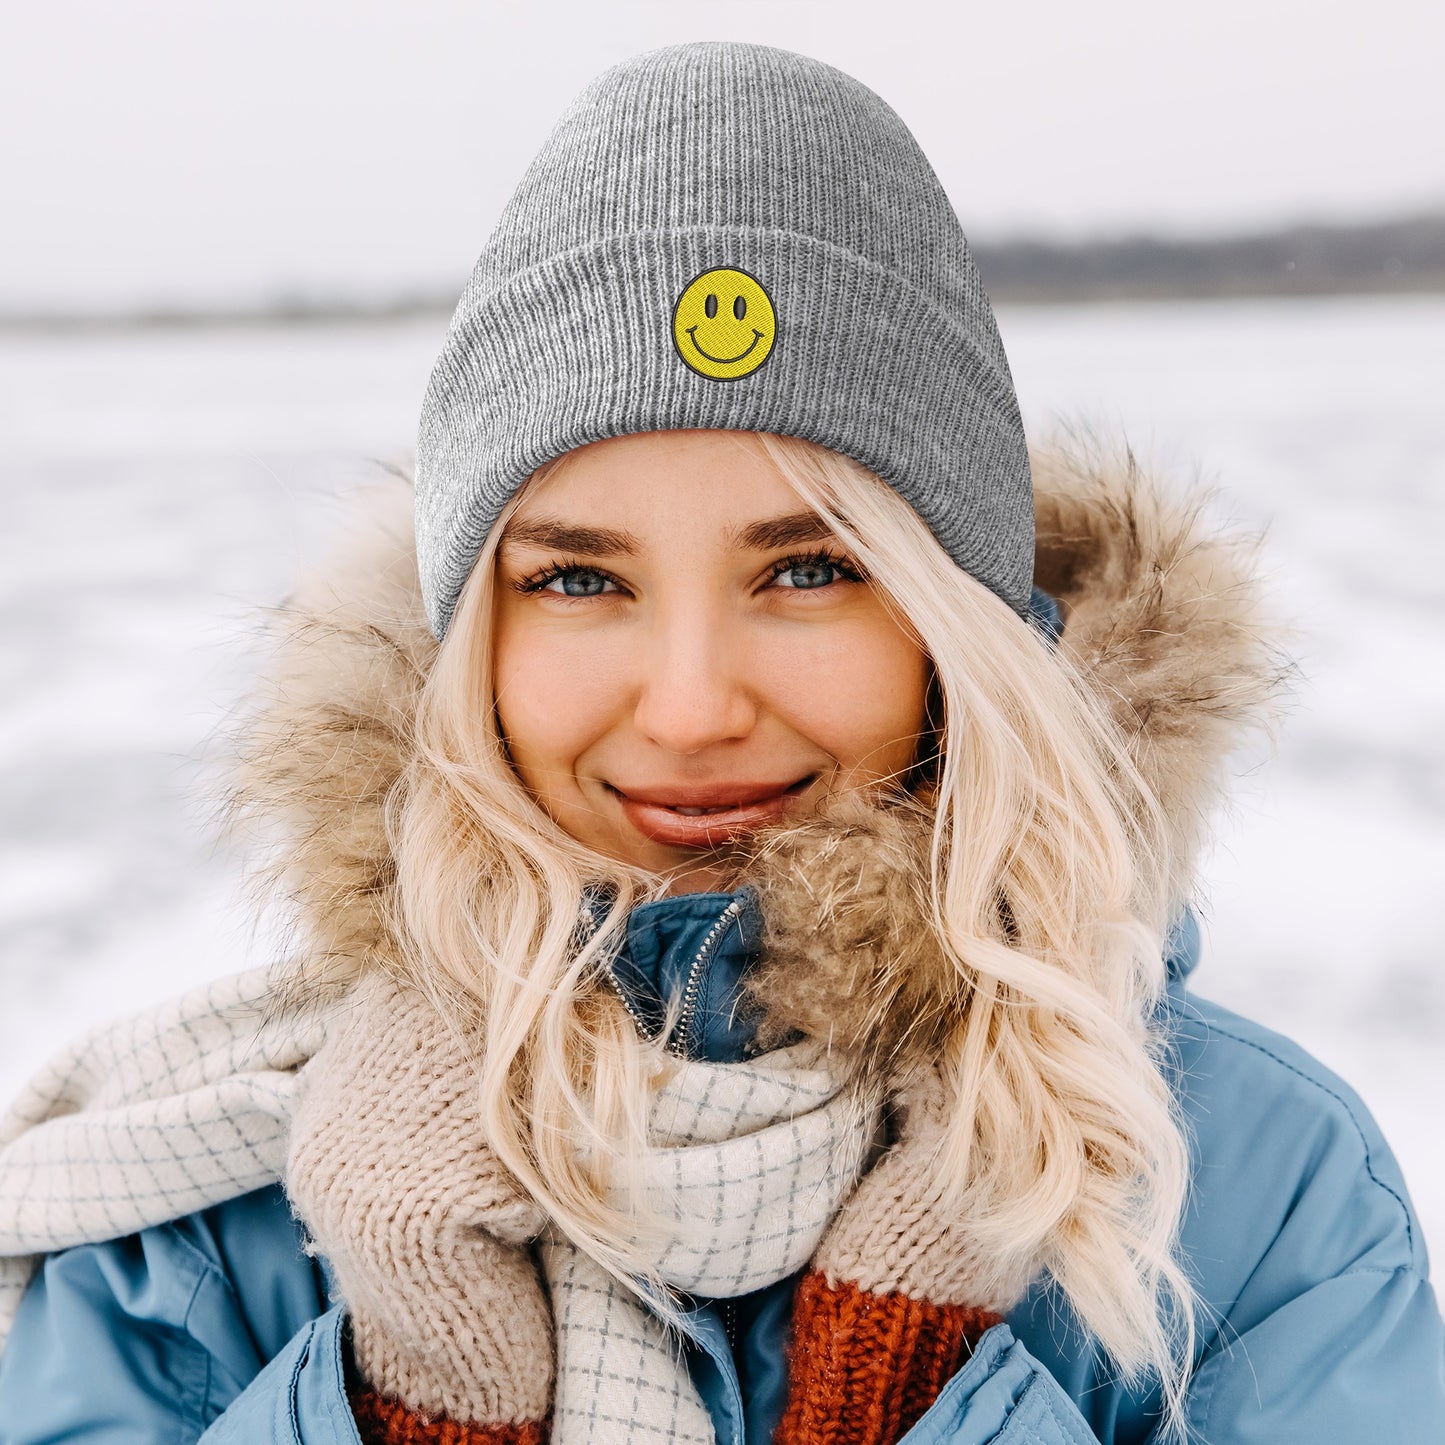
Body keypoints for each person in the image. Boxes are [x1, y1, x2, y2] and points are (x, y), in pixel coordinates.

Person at [0, 40, 1440, 1445]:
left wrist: (906, 1387)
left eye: (807, 570)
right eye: (576, 578)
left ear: (955, 628)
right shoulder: (204, 1224)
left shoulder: (1247, 1203)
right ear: (464, 649)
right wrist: (409, 1405)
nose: (689, 708)